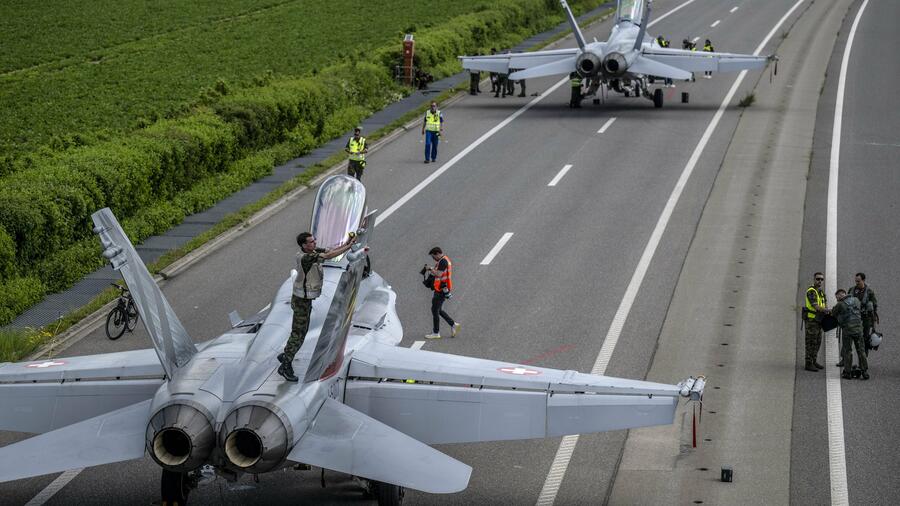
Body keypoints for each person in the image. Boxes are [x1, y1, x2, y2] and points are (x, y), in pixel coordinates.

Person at [277, 232, 356, 382]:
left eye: (314, 241)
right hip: (302, 301)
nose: (314, 243)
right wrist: (349, 247)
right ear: (304, 245)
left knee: (299, 331)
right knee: (299, 334)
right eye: (311, 242)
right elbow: (328, 256)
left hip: (303, 299)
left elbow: (329, 251)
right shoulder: (306, 258)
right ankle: (285, 365)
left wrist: (347, 243)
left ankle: (286, 354)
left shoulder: (311, 251)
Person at [425, 246, 460, 339]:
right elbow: (441, 272)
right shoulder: (444, 260)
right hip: (441, 288)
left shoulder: (443, 261)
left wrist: (430, 269)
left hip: (442, 289)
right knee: (438, 310)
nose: (433, 258)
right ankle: (453, 324)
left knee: (434, 310)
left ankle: (436, 333)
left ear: (437, 254)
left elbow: (439, 274)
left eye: (433, 256)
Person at [832, 289, 868, 380]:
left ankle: (847, 372)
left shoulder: (840, 304)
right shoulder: (856, 300)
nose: (837, 299)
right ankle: (864, 371)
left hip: (848, 330)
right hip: (859, 329)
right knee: (861, 350)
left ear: (840, 295)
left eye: (837, 297)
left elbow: (833, 313)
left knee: (848, 351)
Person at [802, 272, 828, 372]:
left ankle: (814, 360)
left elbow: (824, 304)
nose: (820, 281)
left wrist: (826, 311)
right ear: (814, 279)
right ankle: (808, 363)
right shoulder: (811, 291)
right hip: (811, 320)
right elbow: (815, 306)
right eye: (818, 279)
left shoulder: (821, 292)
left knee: (818, 341)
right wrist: (827, 310)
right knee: (810, 342)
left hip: (819, 320)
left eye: (821, 279)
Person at [849, 272, 878, 353]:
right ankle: (844, 359)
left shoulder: (869, 292)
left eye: (858, 281)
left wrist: (873, 321)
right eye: (856, 281)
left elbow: (874, 305)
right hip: (853, 318)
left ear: (863, 280)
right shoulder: (851, 290)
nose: (856, 283)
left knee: (865, 338)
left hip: (865, 318)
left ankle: (863, 361)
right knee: (848, 337)